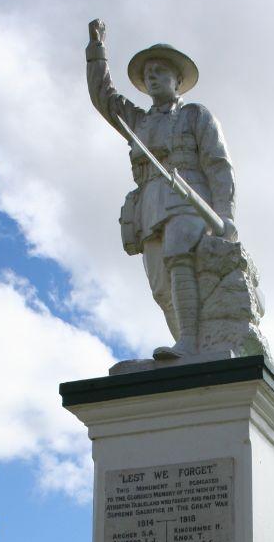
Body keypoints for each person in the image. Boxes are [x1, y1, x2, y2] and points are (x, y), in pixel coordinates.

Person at [86, 18, 238, 359]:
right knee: (160, 286)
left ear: (178, 81)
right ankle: (188, 348)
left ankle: (188, 341)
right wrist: (97, 55)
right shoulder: (138, 122)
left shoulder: (196, 116)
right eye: (149, 73)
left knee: (178, 255)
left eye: (161, 71)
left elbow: (218, 164)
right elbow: (104, 99)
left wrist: (225, 213)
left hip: (189, 197)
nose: (153, 76)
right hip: (149, 204)